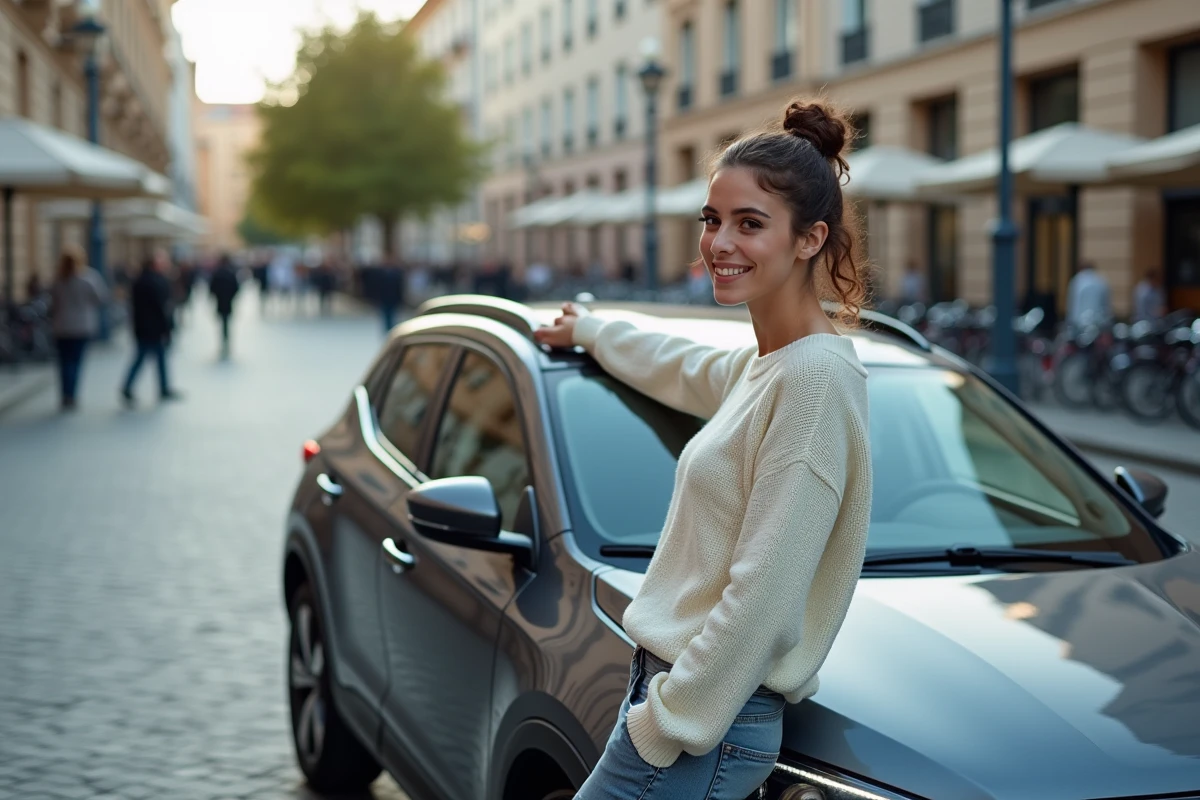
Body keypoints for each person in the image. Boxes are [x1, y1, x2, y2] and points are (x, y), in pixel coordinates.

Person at [535, 99, 872, 799]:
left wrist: (664, 725)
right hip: (686, 708)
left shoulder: (815, 380)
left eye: (750, 224)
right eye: (712, 220)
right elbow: (685, 366)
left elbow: (766, 595)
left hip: (702, 726)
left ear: (810, 239)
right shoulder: (774, 365)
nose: (719, 243)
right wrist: (594, 331)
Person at [48, 244, 107, 410]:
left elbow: (51, 303)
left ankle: (65, 394)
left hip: (61, 326)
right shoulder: (89, 277)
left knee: (64, 362)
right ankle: (71, 395)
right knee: (76, 362)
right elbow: (100, 298)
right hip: (82, 326)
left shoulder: (58, 279)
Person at [121, 250, 181, 405]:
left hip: (143, 326)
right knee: (146, 358)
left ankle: (159, 387)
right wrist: (168, 328)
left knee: (150, 358)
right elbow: (161, 307)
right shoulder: (156, 281)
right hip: (153, 327)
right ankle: (157, 388)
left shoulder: (139, 280)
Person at [208, 254, 241, 358]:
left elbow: (212, 288)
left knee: (223, 324)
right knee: (226, 324)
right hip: (228, 302)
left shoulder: (217, 273)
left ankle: (224, 342)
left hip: (220, 302)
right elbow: (236, 288)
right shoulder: (231, 273)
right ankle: (226, 343)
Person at [1066, 261, 1111, 328]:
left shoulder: (1077, 280)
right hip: (1098, 323)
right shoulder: (1101, 280)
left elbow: (1073, 304)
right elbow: (1106, 305)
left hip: (1079, 322)